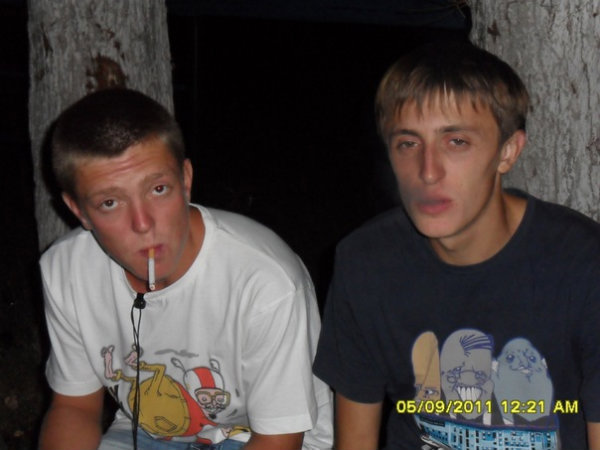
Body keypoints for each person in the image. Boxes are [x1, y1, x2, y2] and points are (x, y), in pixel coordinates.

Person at [313, 40, 600, 449]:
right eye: (408, 143)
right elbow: (355, 440)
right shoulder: (366, 262)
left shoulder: (583, 264)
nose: (428, 171)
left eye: (456, 142)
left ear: (507, 152)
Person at [38, 88, 333, 450]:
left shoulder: (265, 281)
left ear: (186, 179)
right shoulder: (66, 270)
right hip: (150, 430)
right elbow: (74, 407)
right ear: (78, 210)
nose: (143, 223)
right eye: (110, 202)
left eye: (158, 188)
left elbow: (279, 440)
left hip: (262, 437)